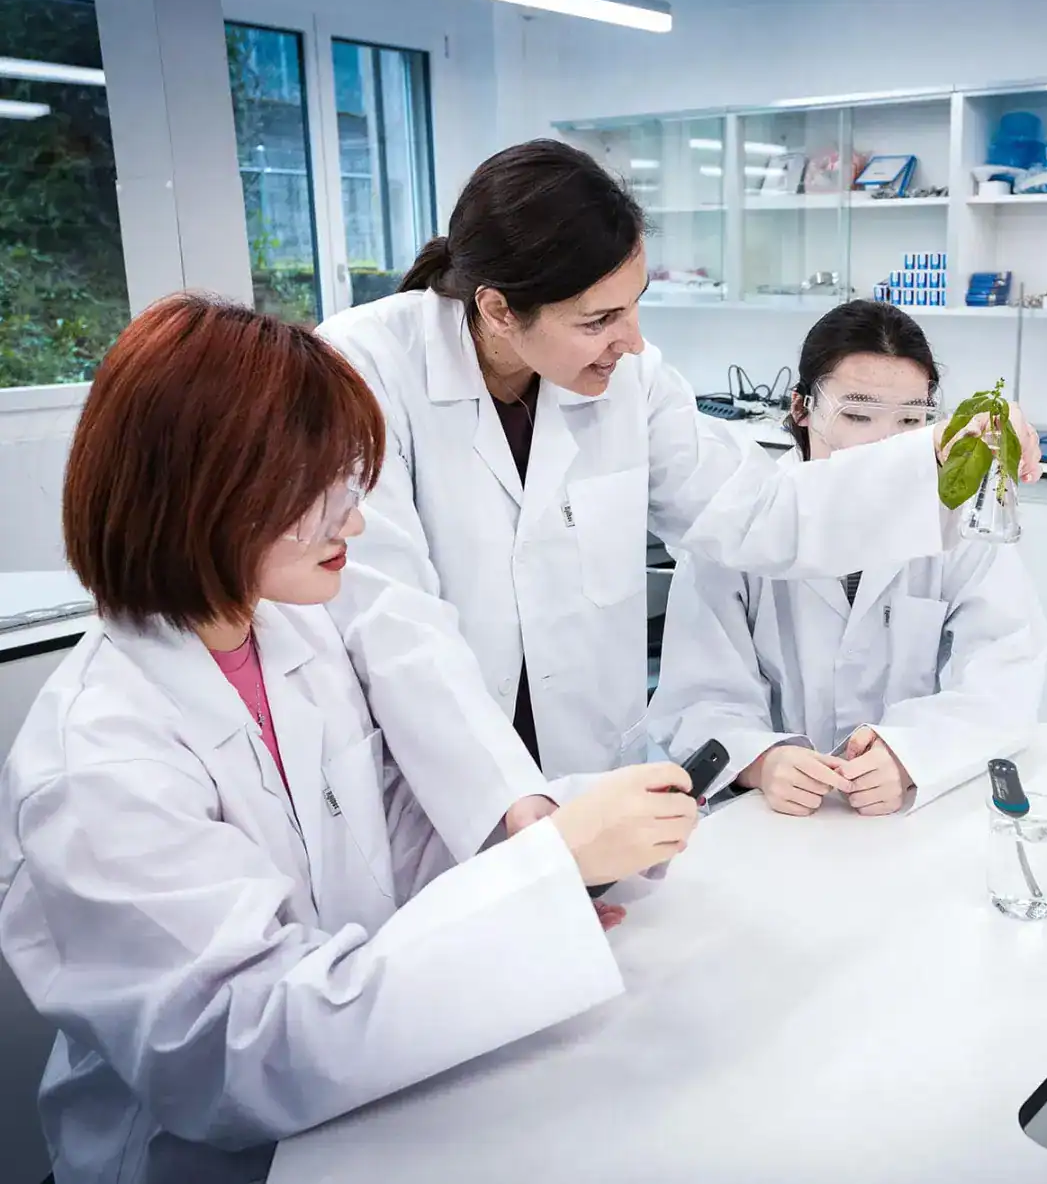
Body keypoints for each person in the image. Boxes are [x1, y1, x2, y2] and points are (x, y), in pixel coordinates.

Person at [0, 297, 698, 1184]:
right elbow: (241, 1055)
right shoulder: (97, 762)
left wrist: (558, 856)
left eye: (350, 487)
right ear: (204, 495)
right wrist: (527, 892)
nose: (355, 526)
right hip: (203, 1161)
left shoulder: (292, 635)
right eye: (320, 495)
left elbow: (391, 839)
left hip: (366, 1109)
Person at [316, 139, 1042, 856]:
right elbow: (394, 622)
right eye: (598, 320)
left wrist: (938, 456)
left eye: (634, 306)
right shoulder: (368, 369)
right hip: (448, 790)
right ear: (500, 310)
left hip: (590, 779)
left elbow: (761, 511)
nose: (630, 342)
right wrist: (516, 807)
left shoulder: (628, 381)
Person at [648, 301, 1047, 815]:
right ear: (801, 408)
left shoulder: (956, 524)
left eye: (911, 420)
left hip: (904, 814)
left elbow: (1004, 671)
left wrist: (911, 755)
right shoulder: (739, 522)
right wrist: (761, 760)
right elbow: (697, 694)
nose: (887, 443)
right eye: (858, 415)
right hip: (770, 819)